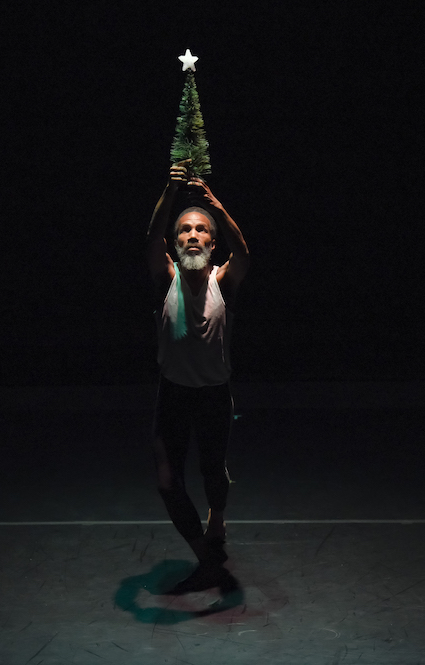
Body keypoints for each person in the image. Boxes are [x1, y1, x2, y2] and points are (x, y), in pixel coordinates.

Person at [145, 159, 250, 593]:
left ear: (212, 241)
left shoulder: (222, 282)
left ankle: (217, 522)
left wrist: (216, 206)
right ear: (175, 242)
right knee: (168, 481)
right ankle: (206, 556)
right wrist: (170, 195)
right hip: (173, 394)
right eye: (184, 229)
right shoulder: (165, 276)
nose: (192, 234)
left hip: (212, 394)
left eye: (200, 229)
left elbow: (243, 251)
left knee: (212, 471)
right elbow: (150, 236)